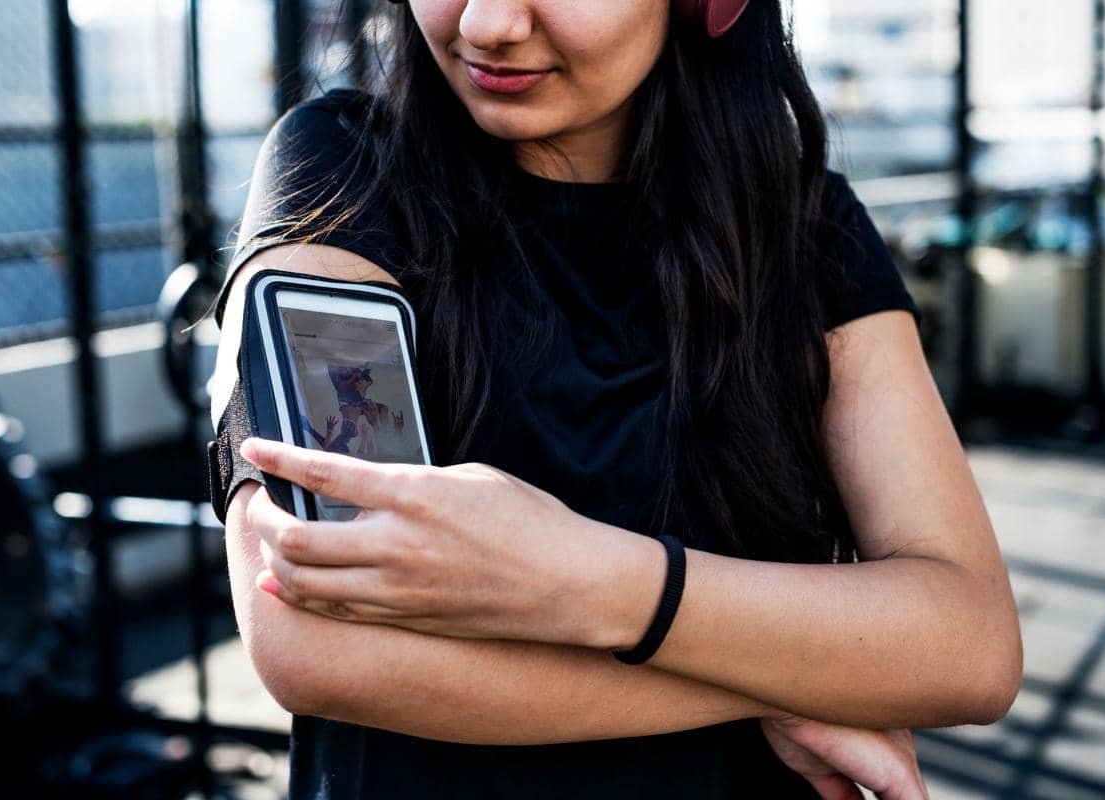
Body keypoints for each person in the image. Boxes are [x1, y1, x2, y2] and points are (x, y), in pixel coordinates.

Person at [208, 1, 1023, 797]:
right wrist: (792, 679)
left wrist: (598, 583)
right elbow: (316, 638)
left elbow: (970, 645)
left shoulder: (804, 224)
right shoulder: (343, 167)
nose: (488, 24)